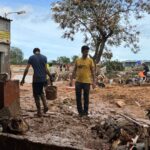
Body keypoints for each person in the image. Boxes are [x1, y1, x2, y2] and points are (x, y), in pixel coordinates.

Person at [20, 48, 51, 117]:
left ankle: (39, 112)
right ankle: (45, 106)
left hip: (36, 79)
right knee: (41, 92)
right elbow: (46, 69)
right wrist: (50, 76)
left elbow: (26, 69)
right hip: (43, 79)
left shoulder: (31, 57)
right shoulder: (44, 57)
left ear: (34, 52)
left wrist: (23, 79)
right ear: (39, 51)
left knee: (36, 95)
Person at [70, 45, 96, 117]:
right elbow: (74, 70)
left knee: (86, 98)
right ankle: (80, 112)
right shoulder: (77, 60)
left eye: (87, 52)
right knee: (78, 97)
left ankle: (85, 112)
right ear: (82, 52)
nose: (86, 53)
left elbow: (93, 71)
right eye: (85, 52)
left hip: (87, 82)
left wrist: (94, 82)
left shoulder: (90, 60)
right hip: (78, 82)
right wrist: (71, 80)